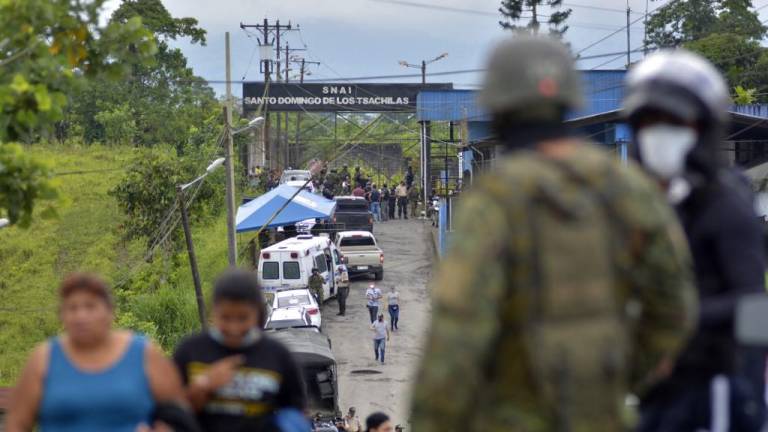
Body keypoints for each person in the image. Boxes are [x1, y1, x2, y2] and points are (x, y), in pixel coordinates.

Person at [409, 35, 696, 431]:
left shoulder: (497, 198)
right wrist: (615, 377)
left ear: (496, 106)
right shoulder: (628, 188)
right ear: (569, 99)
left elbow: (457, 333)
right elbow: (675, 308)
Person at [624, 50, 768, 432]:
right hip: (655, 389)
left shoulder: (725, 203)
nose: (659, 134)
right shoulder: (644, 205)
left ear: (702, 128)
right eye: (649, 122)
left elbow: (755, 307)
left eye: (674, 121)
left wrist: (677, 322)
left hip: (713, 385)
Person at [5, 273, 185, 432]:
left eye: (90, 307)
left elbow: (179, 415)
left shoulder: (144, 353)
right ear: (62, 315)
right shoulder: (43, 358)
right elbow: (17, 423)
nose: (80, 316)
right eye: (72, 308)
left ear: (110, 312)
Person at [173, 269, 307, 432]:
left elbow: (296, 412)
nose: (234, 328)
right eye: (225, 317)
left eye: (243, 318)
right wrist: (205, 385)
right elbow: (169, 412)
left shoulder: (278, 355)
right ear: (213, 311)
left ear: (258, 313)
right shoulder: (190, 351)